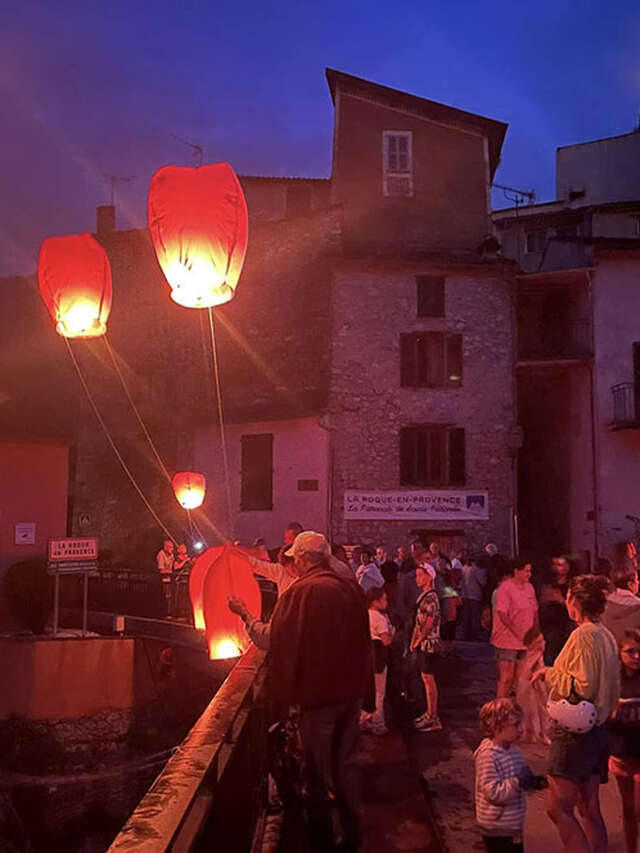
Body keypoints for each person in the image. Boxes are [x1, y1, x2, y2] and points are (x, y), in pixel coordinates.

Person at [268, 530, 370, 852]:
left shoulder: (301, 593)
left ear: (300, 560)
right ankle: (353, 837)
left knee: (314, 773)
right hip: (350, 694)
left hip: (318, 698)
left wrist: (282, 699)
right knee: (346, 767)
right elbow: (363, 642)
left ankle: (322, 842)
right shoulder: (349, 589)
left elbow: (279, 643)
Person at [531, 574, 621, 853]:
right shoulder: (605, 634)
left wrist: (549, 674)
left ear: (574, 601)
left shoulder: (582, 635)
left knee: (558, 808)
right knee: (589, 806)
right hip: (599, 730)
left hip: (575, 732)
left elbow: (581, 684)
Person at [474, 698, 545, 852]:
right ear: (496, 727)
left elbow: (520, 776)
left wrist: (533, 782)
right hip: (497, 825)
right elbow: (492, 792)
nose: (521, 729)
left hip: (512, 823)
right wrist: (517, 782)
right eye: (515, 725)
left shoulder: (513, 751)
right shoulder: (487, 756)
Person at [609, 630, 640, 853]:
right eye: (631, 652)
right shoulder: (613, 682)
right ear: (619, 653)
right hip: (621, 755)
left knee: (639, 809)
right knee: (628, 810)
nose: (637, 656)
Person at [491, 559, 538, 698]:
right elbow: (502, 613)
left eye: (530, 571)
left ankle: (517, 710)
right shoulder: (505, 588)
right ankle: (500, 710)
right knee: (506, 678)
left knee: (521, 679)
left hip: (525, 641)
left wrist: (535, 633)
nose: (529, 574)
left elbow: (534, 611)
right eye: (526, 571)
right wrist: (518, 632)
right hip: (507, 641)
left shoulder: (530, 587)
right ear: (516, 571)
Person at [409, 563, 442, 731]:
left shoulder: (431, 598)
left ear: (429, 577)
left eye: (420, 575)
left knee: (429, 679)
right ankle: (430, 712)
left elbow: (429, 623)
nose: (417, 579)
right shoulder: (424, 596)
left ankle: (433, 716)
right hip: (424, 643)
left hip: (430, 644)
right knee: (425, 678)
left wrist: (418, 639)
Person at [360, 586, 394, 736]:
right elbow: (386, 641)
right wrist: (393, 632)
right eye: (384, 599)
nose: (386, 602)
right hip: (379, 655)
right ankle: (378, 723)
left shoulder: (365, 615)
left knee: (368, 690)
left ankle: (364, 719)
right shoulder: (380, 618)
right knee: (379, 692)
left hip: (366, 656)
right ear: (375, 601)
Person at [537, 556, 576, 665]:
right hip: (550, 626)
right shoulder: (547, 583)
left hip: (568, 624)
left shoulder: (573, 584)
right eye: (557, 565)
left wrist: (561, 600)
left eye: (563, 564)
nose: (560, 568)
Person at [602, 563, 640, 642]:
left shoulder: (602, 606)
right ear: (630, 584)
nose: (638, 583)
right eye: (637, 580)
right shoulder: (638, 606)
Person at [461, 555, 487, 641]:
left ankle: (465, 635)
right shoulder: (477, 570)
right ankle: (475, 635)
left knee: (466, 616)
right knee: (475, 616)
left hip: (465, 595)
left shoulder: (464, 568)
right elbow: (483, 582)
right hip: (475, 595)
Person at [440, 569, 462, 654]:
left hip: (446, 616)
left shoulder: (443, 590)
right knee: (449, 636)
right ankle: (447, 651)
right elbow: (459, 602)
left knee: (446, 635)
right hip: (451, 616)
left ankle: (445, 651)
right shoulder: (451, 591)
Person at [156, 539, 174, 616]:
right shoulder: (161, 554)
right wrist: (171, 572)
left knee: (169, 597)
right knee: (165, 597)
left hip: (169, 579)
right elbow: (161, 569)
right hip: (162, 580)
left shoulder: (171, 555)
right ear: (166, 547)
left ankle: (169, 613)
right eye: (171, 547)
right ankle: (164, 613)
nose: (172, 549)